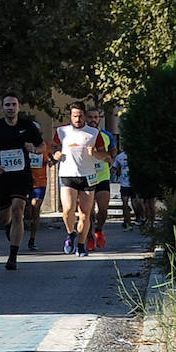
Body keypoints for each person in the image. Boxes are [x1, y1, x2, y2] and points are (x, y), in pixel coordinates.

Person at [0, 92, 44, 270]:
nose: (11, 108)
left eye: (14, 104)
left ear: (18, 107)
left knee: (18, 210)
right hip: (2, 176)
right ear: (2, 108)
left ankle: (13, 256)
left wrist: (34, 149)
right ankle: (8, 228)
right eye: (7, 105)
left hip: (22, 176)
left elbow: (42, 146)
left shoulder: (27, 126)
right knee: (4, 217)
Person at [51, 102, 108, 258]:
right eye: (74, 115)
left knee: (85, 214)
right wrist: (55, 155)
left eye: (80, 115)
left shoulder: (94, 133)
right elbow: (53, 147)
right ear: (70, 116)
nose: (77, 118)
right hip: (68, 174)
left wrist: (95, 154)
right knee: (68, 209)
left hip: (88, 176)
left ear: (84, 115)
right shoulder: (62, 131)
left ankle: (82, 245)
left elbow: (106, 156)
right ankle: (71, 233)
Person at [86, 106, 116, 250]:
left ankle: (99, 230)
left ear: (100, 119)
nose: (93, 120)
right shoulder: (82, 134)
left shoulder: (107, 135)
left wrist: (110, 160)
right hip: (86, 177)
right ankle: (89, 237)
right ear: (85, 118)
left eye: (95, 117)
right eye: (90, 117)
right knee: (88, 211)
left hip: (102, 176)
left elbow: (113, 152)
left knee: (103, 209)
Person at [25, 120, 51, 250]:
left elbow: (51, 159)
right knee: (24, 211)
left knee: (35, 209)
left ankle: (32, 239)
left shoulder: (45, 145)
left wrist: (54, 160)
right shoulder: (22, 145)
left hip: (40, 182)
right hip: (24, 182)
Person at [115, 144, 136, 229]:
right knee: (125, 202)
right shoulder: (119, 157)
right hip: (124, 184)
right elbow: (114, 167)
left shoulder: (136, 156)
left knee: (136, 203)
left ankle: (139, 217)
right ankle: (127, 221)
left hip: (134, 183)